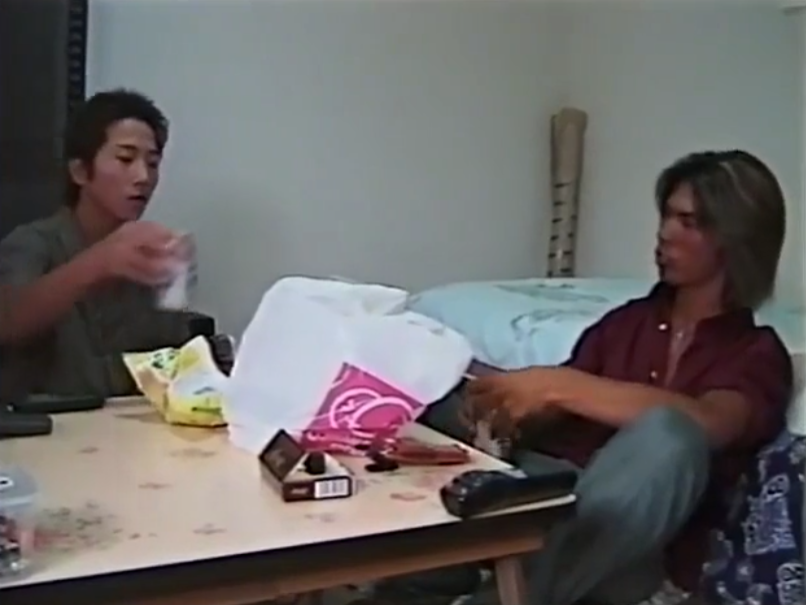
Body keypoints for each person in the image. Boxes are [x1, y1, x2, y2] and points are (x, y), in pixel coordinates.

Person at [360, 150, 794, 605]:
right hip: (547, 495)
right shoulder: (628, 322)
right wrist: (505, 406)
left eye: (687, 222)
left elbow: (708, 423)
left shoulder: (756, 353)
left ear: (734, 239)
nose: (664, 232)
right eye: (666, 216)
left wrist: (560, 386)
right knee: (431, 397)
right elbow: (557, 416)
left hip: (628, 543)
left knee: (670, 435)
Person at [0, 89, 192, 399]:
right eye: (125, 159)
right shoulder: (33, 243)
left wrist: (175, 288)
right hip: (47, 424)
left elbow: (171, 365)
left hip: (126, 423)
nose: (143, 176)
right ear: (80, 171)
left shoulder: (148, 256)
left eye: (153, 163)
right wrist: (99, 262)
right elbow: (8, 320)